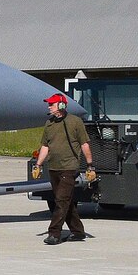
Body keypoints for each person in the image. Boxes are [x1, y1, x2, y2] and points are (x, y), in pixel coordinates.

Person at [32, 93, 95, 245]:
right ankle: (78, 232)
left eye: (51, 104)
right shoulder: (49, 123)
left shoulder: (75, 122)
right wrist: (38, 164)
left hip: (69, 167)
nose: (49, 107)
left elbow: (84, 144)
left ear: (61, 105)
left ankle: (54, 233)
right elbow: (45, 146)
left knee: (61, 200)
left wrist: (90, 165)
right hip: (53, 168)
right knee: (65, 201)